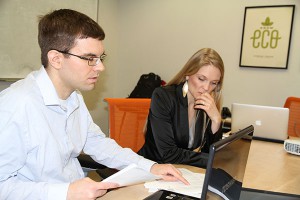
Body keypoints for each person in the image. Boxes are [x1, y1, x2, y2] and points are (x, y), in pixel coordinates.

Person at [0, 9, 188, 200]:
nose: (100, 67)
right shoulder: (16, 105)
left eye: (101, 58)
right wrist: (66, 192)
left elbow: (97, 143)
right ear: (56, 59)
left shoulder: (74, 95)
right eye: (90, 59)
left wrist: (150, 167)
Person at [138, 48, 224, 168]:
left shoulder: (205, 105)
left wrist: (216, 120)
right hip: (151, 169)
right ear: (188, 74)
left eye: (213, 83)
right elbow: (168, 154)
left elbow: (207, 152)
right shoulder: (163, 96)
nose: (206, 87)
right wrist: (214, 160)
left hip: (181, 171)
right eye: (201, 79)